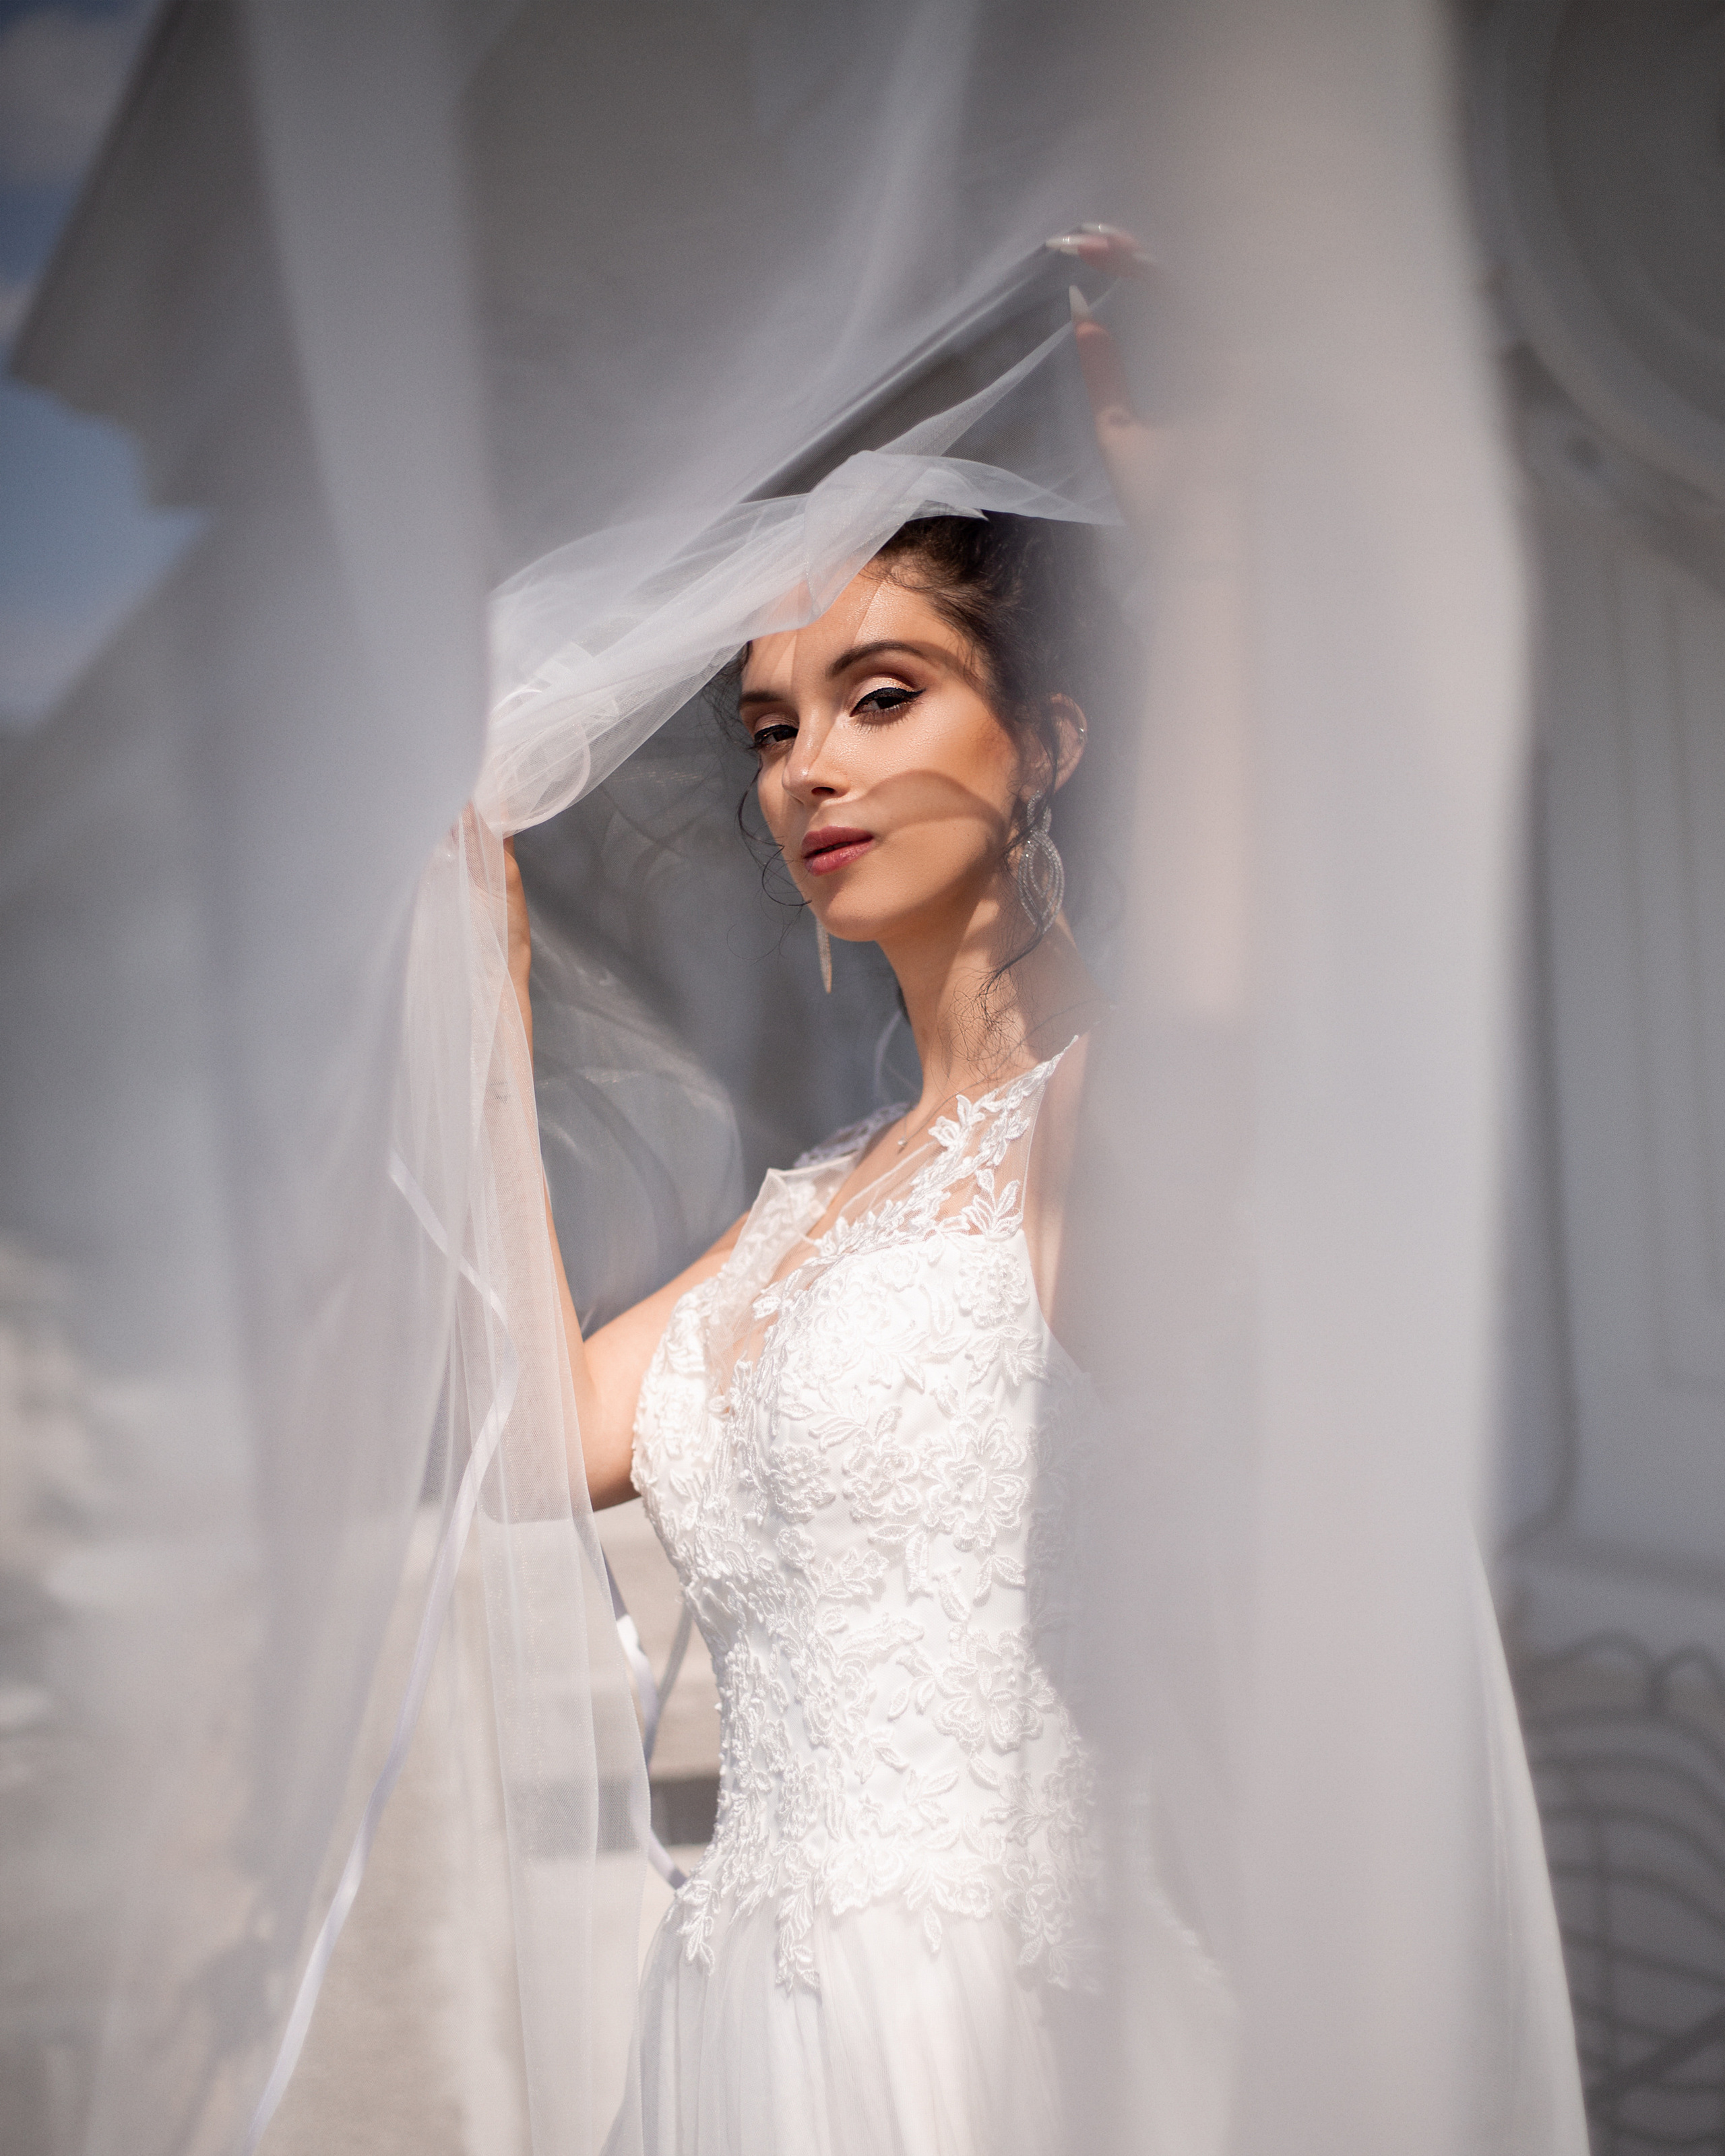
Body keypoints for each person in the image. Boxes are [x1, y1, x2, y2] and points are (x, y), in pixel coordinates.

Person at [499, 232, 1152, 2156]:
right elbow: (535, 1432)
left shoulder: (1134, 1111)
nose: (808, 771)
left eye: (881, 696)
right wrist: (485, 987)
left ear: (1046, 738)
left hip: (1003, 2043)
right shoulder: (800, 1208)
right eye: (774, 726)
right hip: (746, 2043)